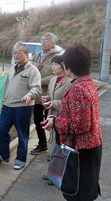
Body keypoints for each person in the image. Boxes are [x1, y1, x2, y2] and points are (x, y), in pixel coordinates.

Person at [43, 45, 103, 201]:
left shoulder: (78, 88)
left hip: (81, 150)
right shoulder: (88, 83)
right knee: (85, 191)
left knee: (78, 193)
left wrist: (55, 121)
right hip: (90, 146)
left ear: (69, 66)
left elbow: (80, 125)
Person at [0, 42, 41, 170]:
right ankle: (3, 154)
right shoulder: (13, 68)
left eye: (19, 52)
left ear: (26, 54)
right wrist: (3, 102)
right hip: (8, 107)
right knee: (1, 131)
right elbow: (6, 87)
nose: (16, 54)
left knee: (22, 135)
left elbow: (36, 88)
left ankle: (20, 160)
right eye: (14, 52)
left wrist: (30, 95)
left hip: (23, 108)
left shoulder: (32, 70)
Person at [30, 32, 61, 155]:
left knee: (54, 121)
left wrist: (39, 82)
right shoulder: (37, 55)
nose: (43, 42)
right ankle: (42, 144)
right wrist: (33, 65)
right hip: (38, 95)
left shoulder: (57, 57)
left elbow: (56, 75)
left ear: (53, 43)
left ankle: (56, 148)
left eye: (46, 40)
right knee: (38, 120)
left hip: (52, 95)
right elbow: (28, 65)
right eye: (42, 40)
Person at [42, 56, 72, 157]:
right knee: (53, 138)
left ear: (64, 66)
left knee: (61, 140)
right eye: (52, 64)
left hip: (63, 116)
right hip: (52, 114)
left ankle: (60, 160)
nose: (53, 67)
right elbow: (51, 96)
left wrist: (54, 103)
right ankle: (54, 159)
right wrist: (47, 98)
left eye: (56, 64)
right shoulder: (53, 80)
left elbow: (68, 101)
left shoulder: (69, 81)